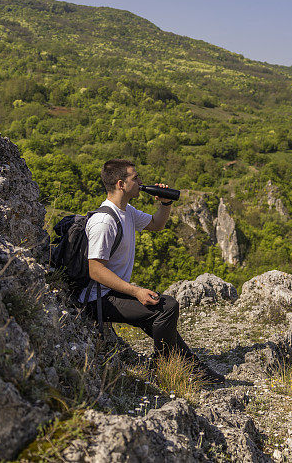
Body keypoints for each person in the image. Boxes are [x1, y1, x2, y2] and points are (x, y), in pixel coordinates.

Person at [82, 158, 224, 384]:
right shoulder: (104, 222)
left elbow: (157, 224)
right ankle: (161, 372)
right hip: (98, 298)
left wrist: (165, 203)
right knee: (167, 307)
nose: (141, 181)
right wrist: (135, 291)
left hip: (112, 292)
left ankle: (196, 369)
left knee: (160, 323)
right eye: (135, 178)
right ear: (121, 184)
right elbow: (95, 270)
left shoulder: (127, 211)